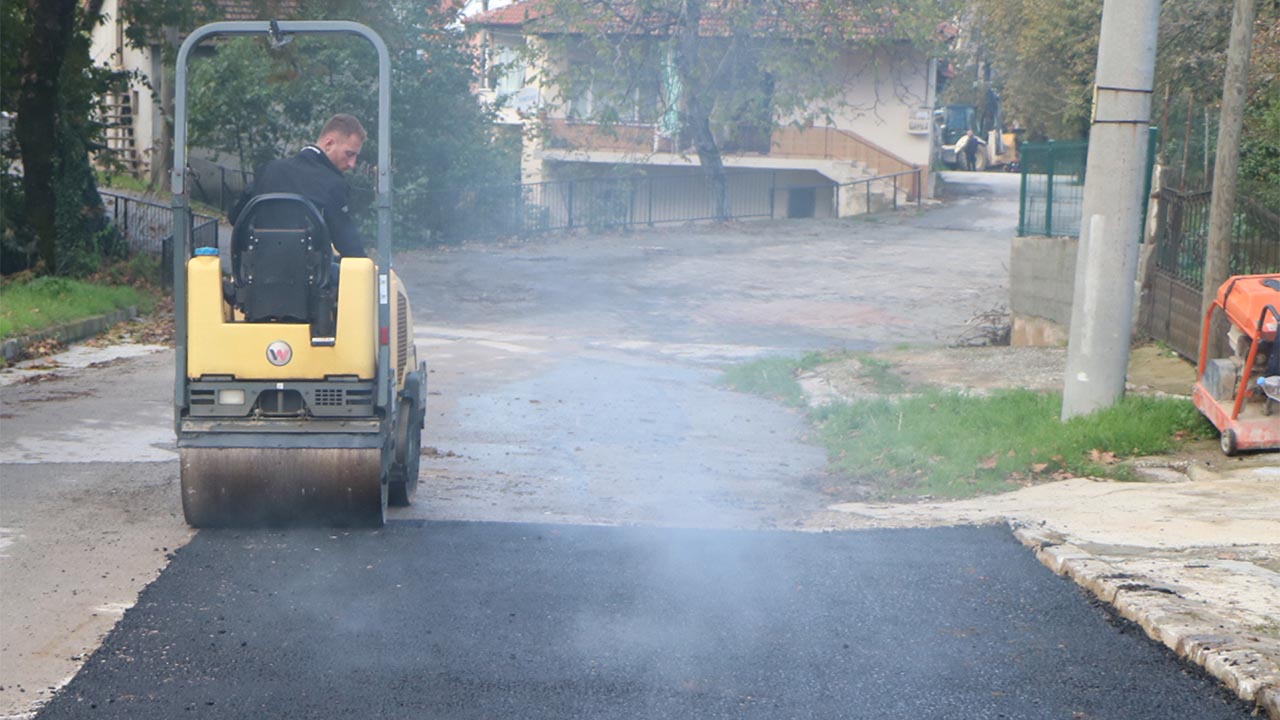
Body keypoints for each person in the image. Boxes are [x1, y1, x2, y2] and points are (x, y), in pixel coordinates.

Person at [231, 113, 368, 258]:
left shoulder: (268, 170)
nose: (352, 164)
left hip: (256, 273)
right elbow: (349, 247)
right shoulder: (333, 184)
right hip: (312, 278)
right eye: (349, 154)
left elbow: (235, 217)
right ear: (329, 144)